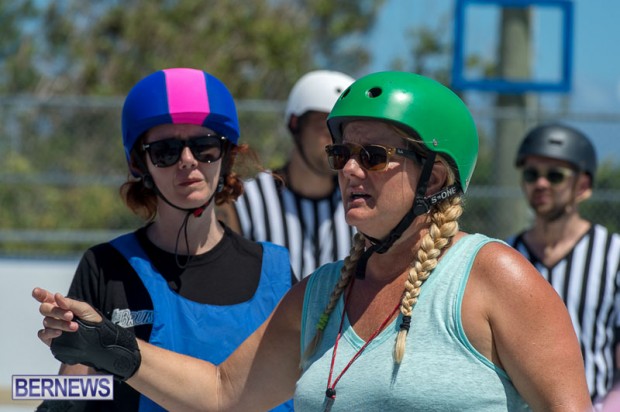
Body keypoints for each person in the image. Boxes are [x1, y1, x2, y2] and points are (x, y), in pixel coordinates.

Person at [34, 71, 592, 411]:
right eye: (341, 154)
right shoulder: (320, 295)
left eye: (372, 156)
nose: (349, 170)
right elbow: (223, 394)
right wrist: (113, 352)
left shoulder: (494, 276)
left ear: (435, 177)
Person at [35, 68, 294, 412]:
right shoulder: (106, 267)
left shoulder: (276, 271)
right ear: (139, 163)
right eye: (166, 151)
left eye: (204, 147)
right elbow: (73, 394)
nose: (187, 161)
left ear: (227, 156)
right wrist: (68, 369)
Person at [506, 123, 620, 408]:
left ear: (583, 186)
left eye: (555, 175)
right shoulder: (504, 255)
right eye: (531, 174)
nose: (541, 184)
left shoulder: (614, 255)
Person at [218, 70, 356, 280]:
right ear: (295, 125)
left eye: (345, 133)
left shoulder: (359, 201)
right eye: (325, 128)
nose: (337, 143)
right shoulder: (246, 199)